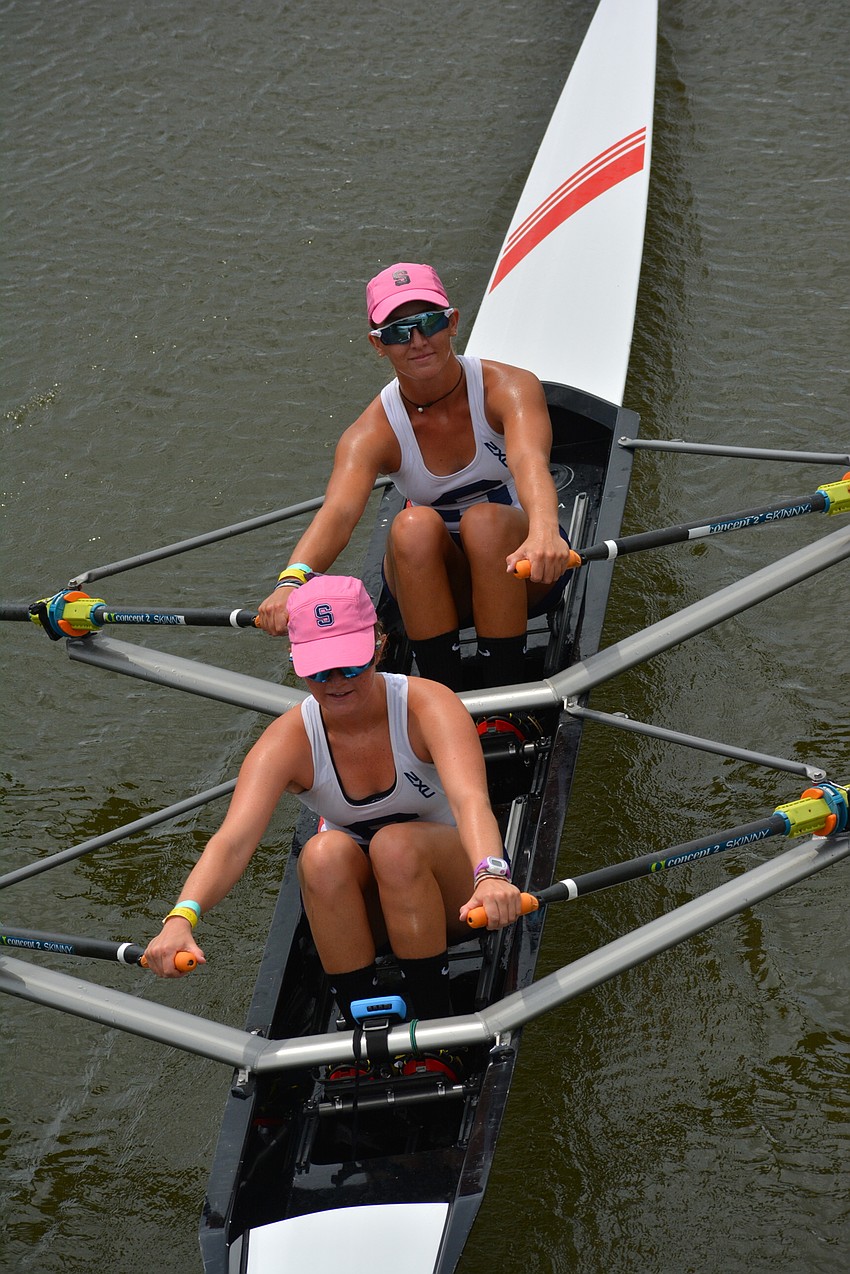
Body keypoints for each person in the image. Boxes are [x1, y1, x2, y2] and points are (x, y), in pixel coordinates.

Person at [143, 574, 522, 1028]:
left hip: (462, 896)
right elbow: (233, 842)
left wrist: (490, 875)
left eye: (349, 664)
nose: (336, 682)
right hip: (375, 913)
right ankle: (366, 1024)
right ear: (296, 662)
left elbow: (470, 801)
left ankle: (438, 1028)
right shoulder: (287, 741)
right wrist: (180, 919)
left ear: (378, 646)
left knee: (393, 846)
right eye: (318, 670)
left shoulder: (427, 706)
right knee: (320, 855)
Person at [256, 262, 573, 689]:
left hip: (522, 569)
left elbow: (530, 464)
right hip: (436, 582)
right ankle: (442, 693)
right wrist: (291, 580)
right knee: (410, 527)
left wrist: (544, 533)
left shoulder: (508, 388)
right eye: (398, 331)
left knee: (486, 520)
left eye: (429, 323)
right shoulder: (371, 432)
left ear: (453, 322)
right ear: (378, 345)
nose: (418, 341)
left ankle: (506, 697)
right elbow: (339, 513)